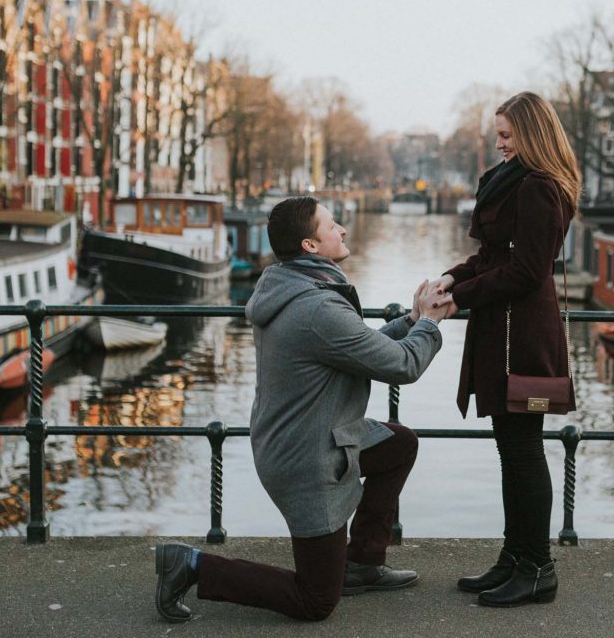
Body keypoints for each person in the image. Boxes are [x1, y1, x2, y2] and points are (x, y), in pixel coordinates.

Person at [154, 197, 453, 623]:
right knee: (315, 600)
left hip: (307, 436)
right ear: (310, 245)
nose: (343, 230)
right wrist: (430, 323)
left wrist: (410, 321)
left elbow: (357, 346)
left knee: (398, 444)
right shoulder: (317, 307)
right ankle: (192, 565)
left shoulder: (293, 286)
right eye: (332, 225)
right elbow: (403, 365)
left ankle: (362, 564)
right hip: (308, 459)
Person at [431, 91, 580, 607]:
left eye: (507, 135)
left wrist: (461, 298)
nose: (499, 144)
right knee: (510, 449)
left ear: (532, 135)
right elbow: (492, 257)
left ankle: (538, 567)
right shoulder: (513, 182)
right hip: (505, 329)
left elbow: (526, 271)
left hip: (523, 335)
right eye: (498, 135)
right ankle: (514, 557)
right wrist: (451, 277)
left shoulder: (539, 187)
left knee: (523, 450)